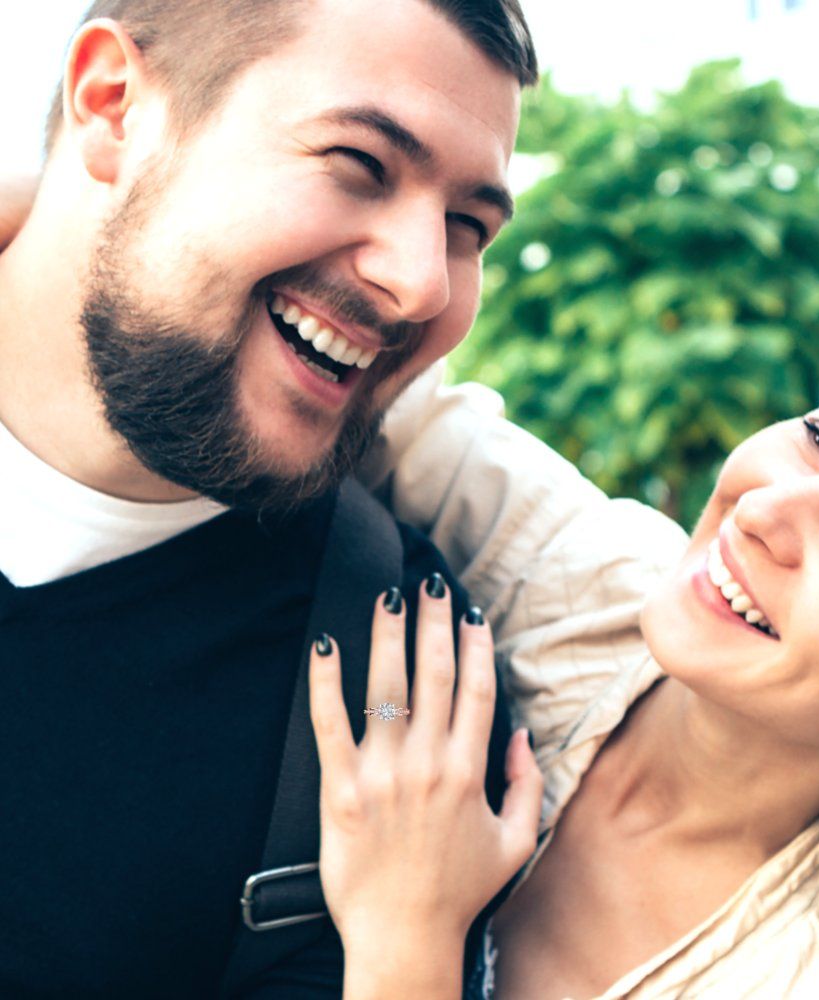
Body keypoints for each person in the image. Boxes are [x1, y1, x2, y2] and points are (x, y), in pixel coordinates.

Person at [0, 1, 540, 996]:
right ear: (113, 106)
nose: (422, 283)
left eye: (467, 228)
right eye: (358, 165)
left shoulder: (395, 689)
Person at [311, 336, 819, 999]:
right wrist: (387, 716)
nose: (762, 509)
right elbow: (366, 399)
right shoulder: (594, 573)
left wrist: (404, 940)